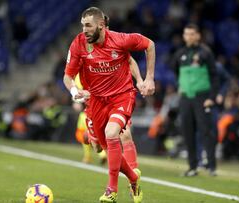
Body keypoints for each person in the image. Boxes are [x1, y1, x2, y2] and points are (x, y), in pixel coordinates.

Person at [64, 7, 155, 203]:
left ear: (101, 25)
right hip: (95, 101)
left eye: (88, 25)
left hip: (122, 96)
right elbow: (68, 76)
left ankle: (111, 190)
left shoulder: (120, 40)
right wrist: (74, 92)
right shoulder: (79, 44)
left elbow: (150, 44)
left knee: (113, 133)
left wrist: (148, 79)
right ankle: (133, 177)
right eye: (82, 26)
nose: (84, 30)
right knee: (99, 146)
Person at [171, 24, 219, 177]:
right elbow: (176, 71)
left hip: (202, 97)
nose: (189, 37)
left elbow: (215, 76)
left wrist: (211, 97)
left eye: (192, 34)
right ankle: (193, 167)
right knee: (187, 132)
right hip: (185, 98)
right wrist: (181, 86)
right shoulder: (180, 54)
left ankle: (211, 166)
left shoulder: (206, 53)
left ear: (198, 35)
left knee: (206, 131)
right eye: (186, 34)